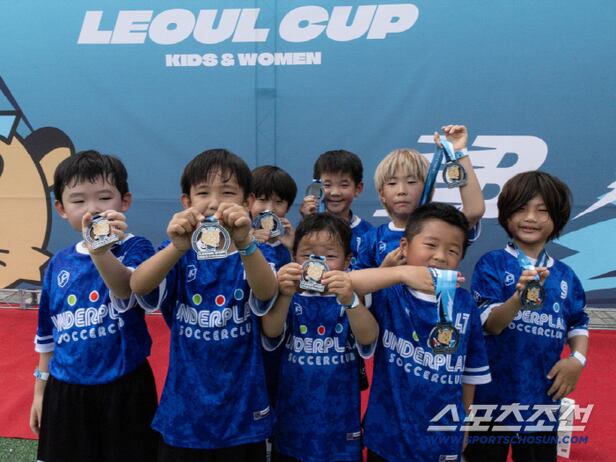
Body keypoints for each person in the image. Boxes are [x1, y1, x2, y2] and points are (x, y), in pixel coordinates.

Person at [130, 148, 278, 462]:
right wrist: (177, 247)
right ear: (186, 202)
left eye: (227, 192)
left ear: (247, 202)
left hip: (242, 411)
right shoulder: (178, 253)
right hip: (184, 412)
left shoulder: (259, 254)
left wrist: (245, 242)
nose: (214, 202)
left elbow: (266, 292)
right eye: (203, 193)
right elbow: (139, 285)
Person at [30, 150, 158, 462]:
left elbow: (125, 288)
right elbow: (47, 332)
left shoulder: (137, 248)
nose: (92, 209)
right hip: (65, 390)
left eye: (104, 198)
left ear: (124, 201)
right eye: (78, 200)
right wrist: (40, 390)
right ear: (61, 208)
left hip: (125, 388)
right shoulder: (59, 262)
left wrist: (100, 249)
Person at [350, 202, 491, 461]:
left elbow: (471, 371)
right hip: (387, 435)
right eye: (430, 245)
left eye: (452, 250)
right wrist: (400, 273)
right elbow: (347, 284)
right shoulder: (389, 292)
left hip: (441, 436)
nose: (440, 256)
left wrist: (466, 420)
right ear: (404, 246)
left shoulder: (464, 303)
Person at [464, 171, 589, 462]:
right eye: (521, 208)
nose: (530, 217)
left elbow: (578, 322)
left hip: (541, 397)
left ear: (557, 217)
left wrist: (577, 360)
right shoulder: (492, 264)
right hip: (490, 397)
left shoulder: (566, 276)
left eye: (542, 210)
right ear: (506, 214)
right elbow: (492, 325)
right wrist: (519, 298)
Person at [261, 213, 379, 462]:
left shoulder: (352, 296)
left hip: (340, 424)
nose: (317, 263)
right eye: (307, 255)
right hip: (291, 421)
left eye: (330, 256)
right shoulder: (288, 294)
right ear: (293, 257)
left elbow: (369, 337)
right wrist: (284, 295)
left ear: (348, 261)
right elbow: (271, 331)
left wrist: (350, 300)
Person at [355, 125, 484, 269]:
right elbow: (357, 282)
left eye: (411, 182)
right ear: (382, 194)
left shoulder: (443, 226)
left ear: (428, 188)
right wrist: (385, 270)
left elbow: (474, 211)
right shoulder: (372, 239)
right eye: (392, 183)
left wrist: (459, 151)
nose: (401, 191)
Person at [300, 149, 374, 262]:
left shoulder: (368, 233)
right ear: (316, 188)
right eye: (327, 185)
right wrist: (307, 223)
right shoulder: (307, 226)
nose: (335, 193)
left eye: (344, 185)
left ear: (358, 189)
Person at [249, 165, 298, 270]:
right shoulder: (239, 240)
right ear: (248, 202)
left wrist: (294, 249)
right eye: (262, 200)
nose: (270, 209)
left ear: (288, 208)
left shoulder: (290, 243)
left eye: (279, 202)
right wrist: (248, 243)